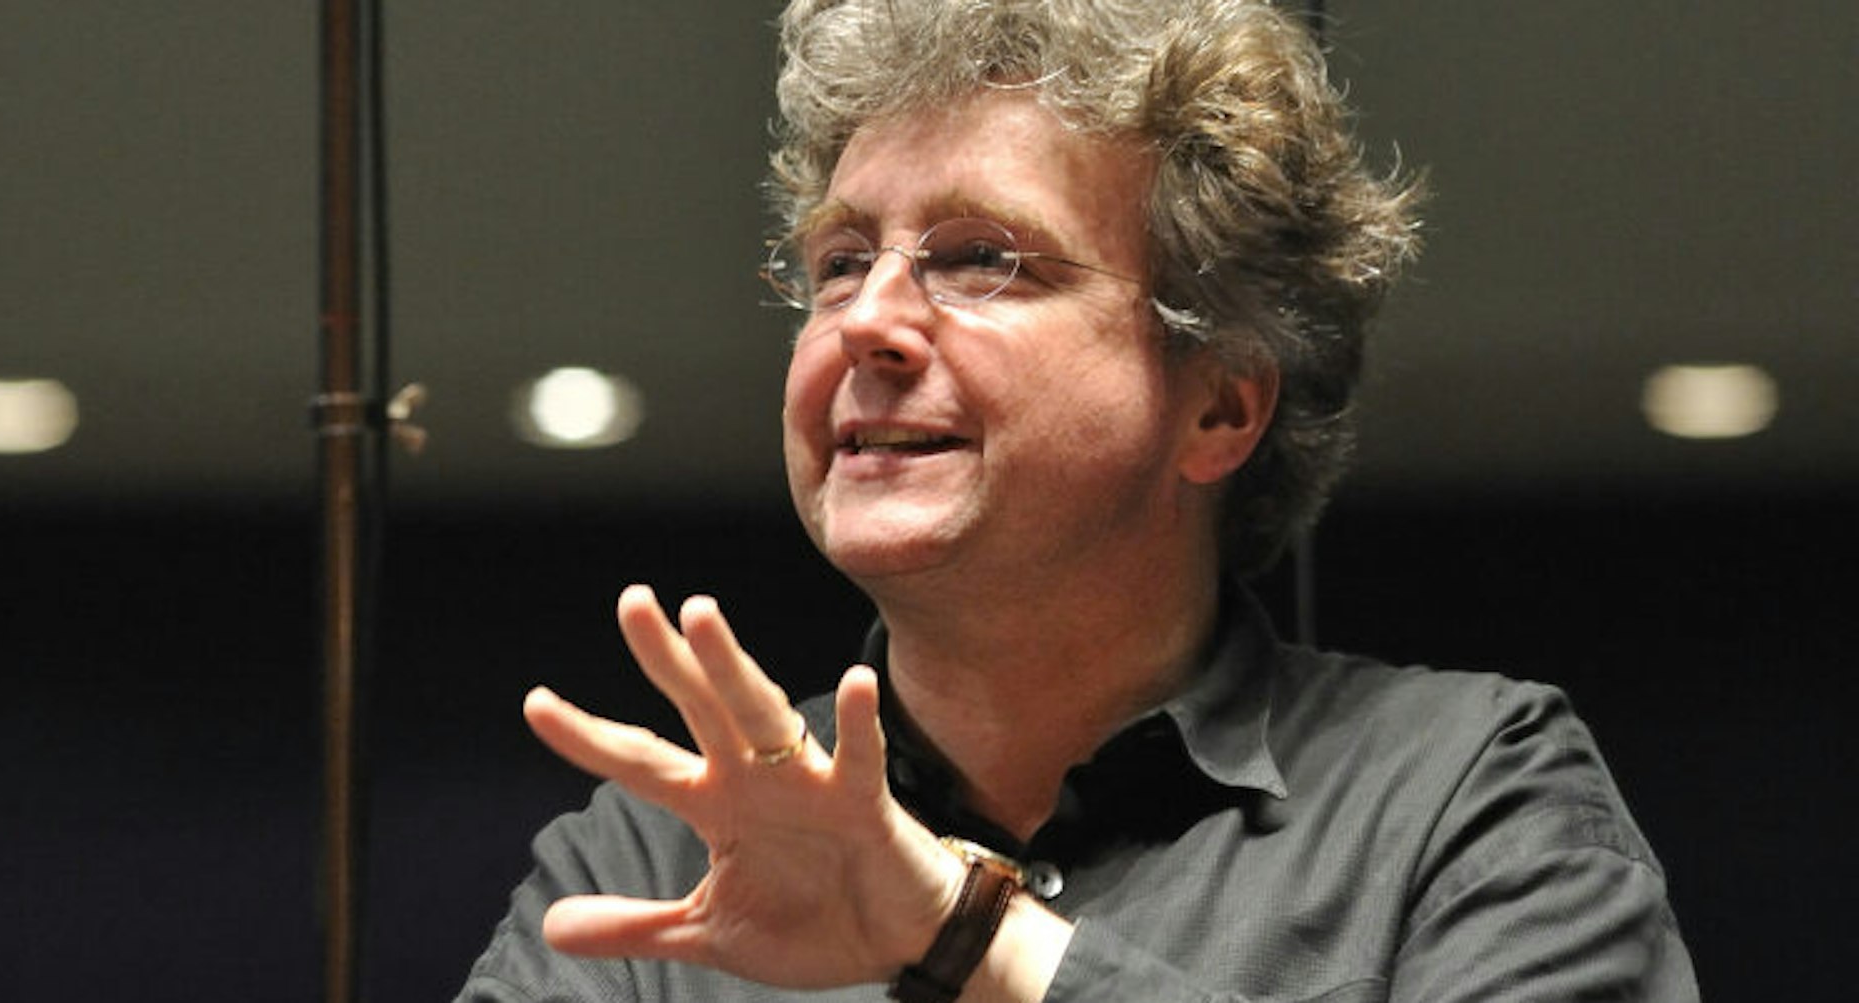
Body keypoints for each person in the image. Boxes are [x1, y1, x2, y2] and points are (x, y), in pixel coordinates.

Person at [457, 1, 1698, 999]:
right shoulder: (656, 856)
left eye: (977, 257)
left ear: (1218, 405)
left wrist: (963, 933)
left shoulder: (1463, 800)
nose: (868, 320)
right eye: (839, 262)